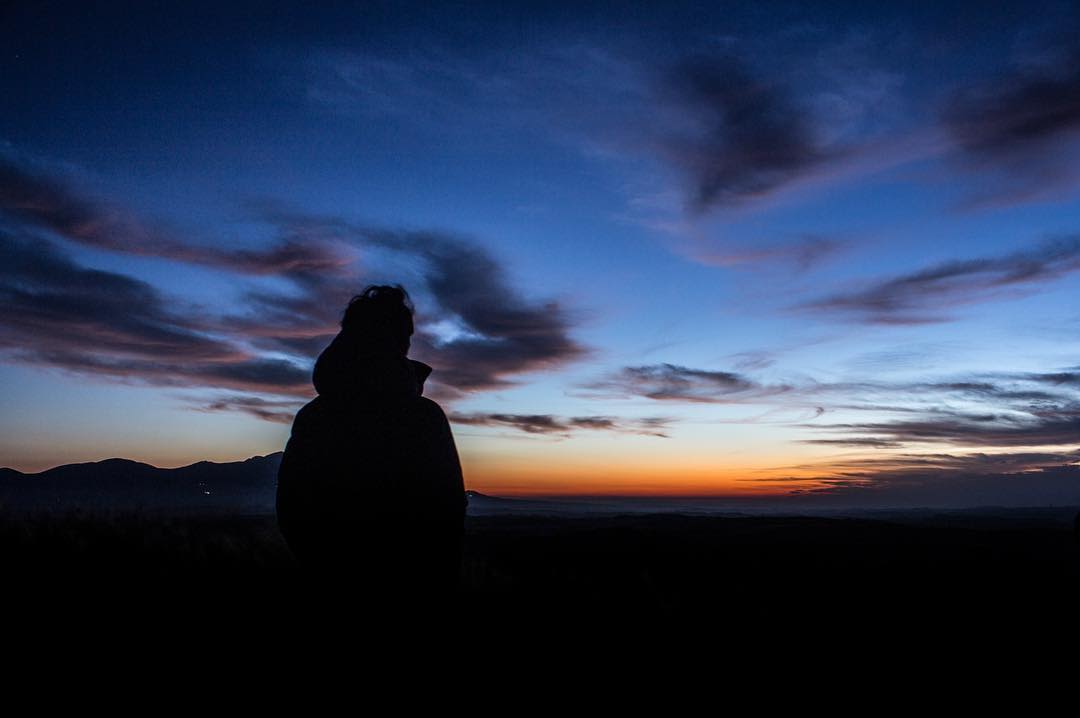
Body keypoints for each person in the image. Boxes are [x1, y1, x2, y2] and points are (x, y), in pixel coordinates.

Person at [276, 285, 466, 606]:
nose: (408, 343)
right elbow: (447, 515)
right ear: (395, 339)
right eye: (405, 335)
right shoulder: (421, 417)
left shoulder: (315, 417)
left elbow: (293, 511)